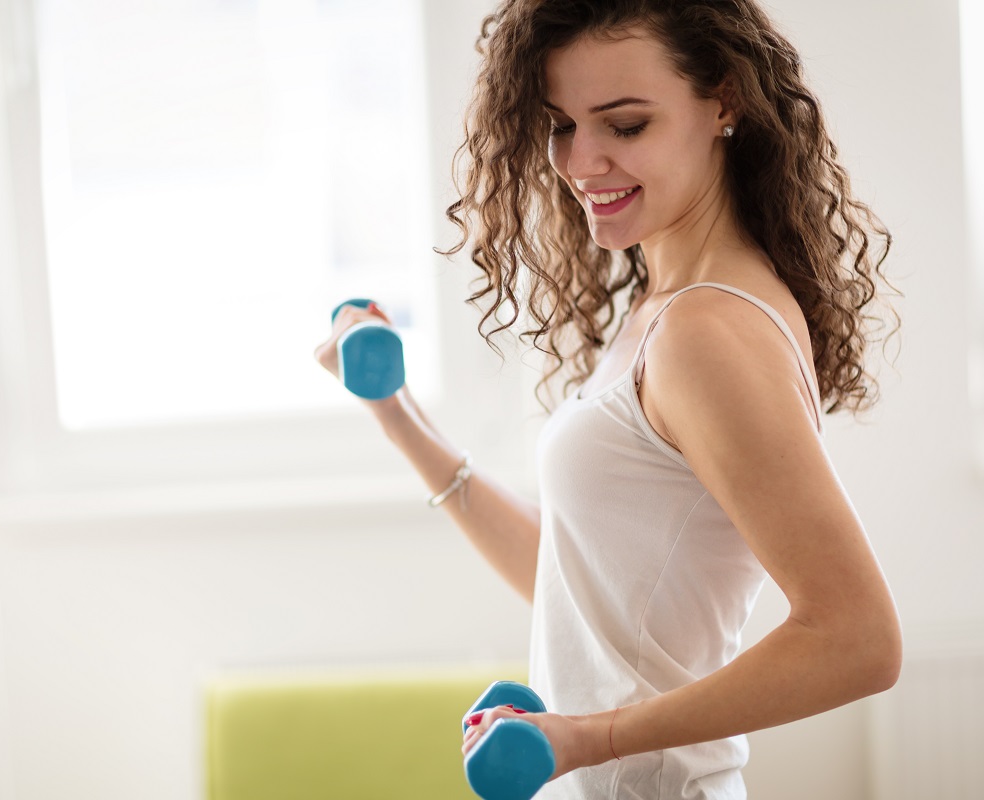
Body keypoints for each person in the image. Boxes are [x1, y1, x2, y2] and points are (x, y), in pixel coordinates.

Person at [314, 0, 902, 796]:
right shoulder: (669, 306)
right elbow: (586, 589)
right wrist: (396, 412)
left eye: (624, 126)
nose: (582, 161)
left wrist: (588, 738)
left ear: (723, 100)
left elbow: (857, 638)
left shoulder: (705, 332)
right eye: (561, 126)